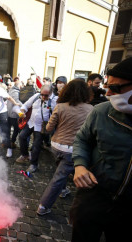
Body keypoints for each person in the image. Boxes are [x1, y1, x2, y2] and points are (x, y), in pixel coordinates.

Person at [70, 57, 132, 241]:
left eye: (116, 88)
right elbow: (82, 139)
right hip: (94, 197)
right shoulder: (101, 112)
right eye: (107, 86)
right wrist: (80, 165)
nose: (108, 93)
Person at [36, 79, 93, 215]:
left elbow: (49, 128)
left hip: (55, 146)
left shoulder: (60, 106)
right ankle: (43, 206)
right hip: (73, 149)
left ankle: (63, 190)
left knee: (61, 172)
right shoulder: (91, 109)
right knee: (59, 177)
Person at [16, 84, 58, 173]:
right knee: (22, 136)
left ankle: (33, 164)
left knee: (36, 146)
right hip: (31, 123)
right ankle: (25, 155)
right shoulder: (36, 96)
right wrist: (23, 111)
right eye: (42, 94)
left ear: (51, 92)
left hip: (42, 127)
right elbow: (25, 105)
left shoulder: (56, 100)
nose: (43, 97)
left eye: (46, 95)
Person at [7, 76, 23, 157]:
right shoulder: (16, 92)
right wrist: (24, 106)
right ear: (19, 85)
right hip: (13, 115)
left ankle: (8, 144)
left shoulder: (11, 90)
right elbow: (17, 101)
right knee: (16, 129)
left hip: (9, 113)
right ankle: (11, 144)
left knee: (9, 130)